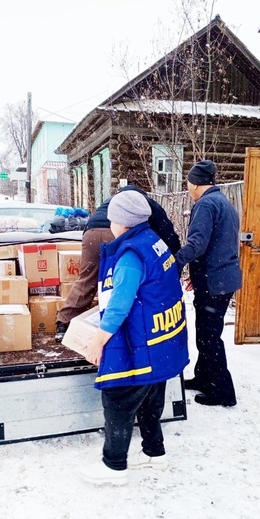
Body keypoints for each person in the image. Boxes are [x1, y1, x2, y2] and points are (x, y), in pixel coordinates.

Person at [77, 190, 189, 486]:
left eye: (112, 219)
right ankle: (155, 454)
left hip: (142, 342)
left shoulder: (130, 255)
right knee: (151, 397)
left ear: (123, 223)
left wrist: (99, 340)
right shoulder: (154, 241)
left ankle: (114, 467)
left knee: (118, 399)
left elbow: (120, 304)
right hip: (160, 341)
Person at [55, 185, 181, 342]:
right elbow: (167, 233)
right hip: (115, 232)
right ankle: (111, 331)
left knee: (86, 280)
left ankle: (64, 322)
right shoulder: (143, 204)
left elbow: (91, 222)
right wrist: (174, 262)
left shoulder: (113, 201)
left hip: (91, 233)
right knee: (117, 284)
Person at [175, 160, 242, 408]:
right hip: (220, 277)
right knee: (207, 333)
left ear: (195, 183)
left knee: (209, 337)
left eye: (188, 183)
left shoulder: (206, 204)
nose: (188, 188)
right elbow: (219, 244)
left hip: (215, 281)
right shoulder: (223, 202)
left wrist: (175, 263)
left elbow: (197, 244)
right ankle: (205, 378)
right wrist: (197, 272)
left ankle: (223, 391)